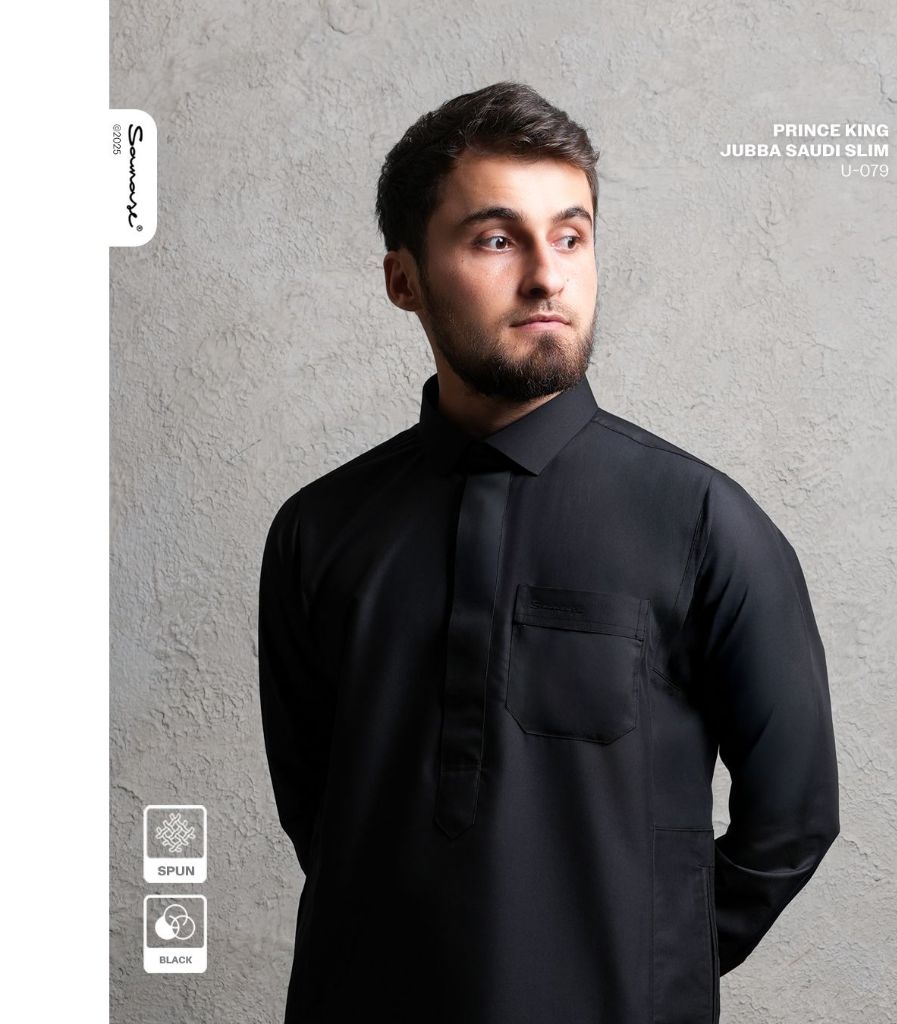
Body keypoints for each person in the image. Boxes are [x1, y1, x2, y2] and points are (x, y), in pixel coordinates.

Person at [258, 80, 840, 1024]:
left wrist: (646, 969)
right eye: (497, 240)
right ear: (404, 280)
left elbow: (795, 818)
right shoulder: (318, 532)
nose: (547, 277)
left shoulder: (702, 521)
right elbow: (322, 818)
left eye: (570, 237)